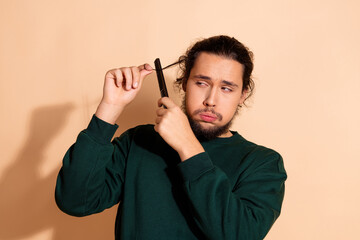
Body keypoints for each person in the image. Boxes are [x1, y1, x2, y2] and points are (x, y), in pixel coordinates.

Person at [55, 35, 287, 240]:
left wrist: (188, 146)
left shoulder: (263, 163)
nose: (211, 100)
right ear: (185, 82)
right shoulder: (139, 140)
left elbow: (238, 234)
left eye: (226, 88)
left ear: (243, 95)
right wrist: (109, 108)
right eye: (202, 82)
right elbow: (75, 201)